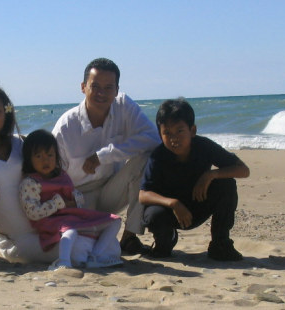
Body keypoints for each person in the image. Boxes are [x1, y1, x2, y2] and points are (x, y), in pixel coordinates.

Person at [52, 58, 161, 255]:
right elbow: (51, 174)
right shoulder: (66, 127)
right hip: (77, 198)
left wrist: (104, 155)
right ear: (83, 87)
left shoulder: (123, 106)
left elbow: (153, 139)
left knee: (146, 160)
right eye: (95, 86)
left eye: (108, 87)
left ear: (117, 89)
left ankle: (129, 237)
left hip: (111, 190)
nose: (101, 93)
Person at [139, 99, 250, 260]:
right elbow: (143, 194)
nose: (173, 138)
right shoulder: (158, 156)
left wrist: (211, 175)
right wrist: (173, 203)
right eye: (167, 133)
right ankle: (166, 241)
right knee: (153, 214)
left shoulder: (204, 146)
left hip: (198, 203)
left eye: (179, 131)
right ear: (160, 134)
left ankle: (220, 243)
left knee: (227, 184)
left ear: (192, 130)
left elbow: (243, 170)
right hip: (170, 213)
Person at [0, 83, 59, 263]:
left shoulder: (21, 143)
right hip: (15, 241)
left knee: (96, 239)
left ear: (6, 113)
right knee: (79, 249)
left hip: (47, 228)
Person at [19, 129, 123, 270]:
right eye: (38, 156)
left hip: (72, 216)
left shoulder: (62, 175)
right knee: (71, 231)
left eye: (50, 155)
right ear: (29, 159)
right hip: (51, 221)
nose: (46, 160)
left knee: (114, 221)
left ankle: (95, 255)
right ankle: (64, 261)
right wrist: (58, 203)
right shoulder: (31, 182)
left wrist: (75, 200)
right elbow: (33, 213)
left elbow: (76, 195)